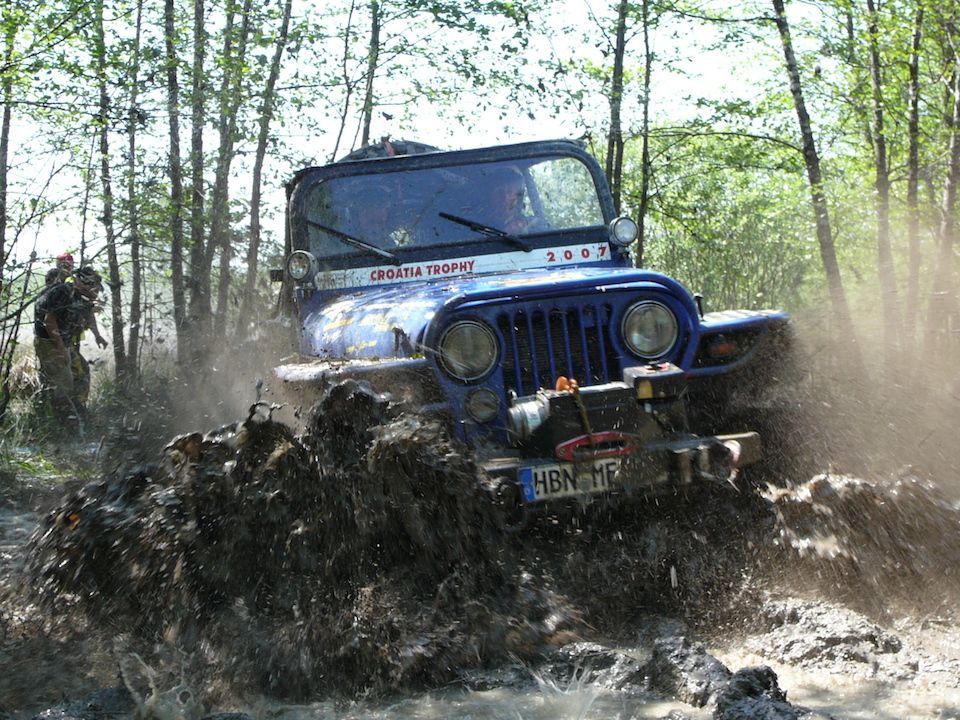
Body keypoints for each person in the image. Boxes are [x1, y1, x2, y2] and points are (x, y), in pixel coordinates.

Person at [482, 166, 538, 234]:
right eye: (500, 192)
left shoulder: (528, 224)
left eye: (510, 192)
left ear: (518, 197)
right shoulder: (477, 224)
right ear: (490, 196)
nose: (505, 198)